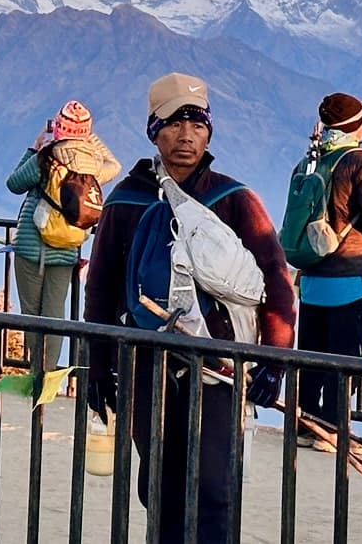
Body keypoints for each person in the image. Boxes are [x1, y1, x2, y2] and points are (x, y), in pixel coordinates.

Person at [82, 73, 296, 544]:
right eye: (174, 124)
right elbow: (100, 289)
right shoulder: (126, 202)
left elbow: (277, 282)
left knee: (214, 485)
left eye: (197, 125)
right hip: (143, 364)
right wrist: (97, 367)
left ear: (209, 133)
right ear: (153, 132)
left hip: (218, 368)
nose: (186, 136)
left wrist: (274, 358)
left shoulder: (234, 200)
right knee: (158, 481)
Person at [294, 93, 362, 449]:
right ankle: (335, 432)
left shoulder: (314, 158)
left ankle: (306, 423)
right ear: (357, 125)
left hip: (313, 276)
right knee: (345, 359)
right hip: (352, 279)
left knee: (312, 355)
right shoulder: (360, 161)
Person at [5, 101, 120, 369]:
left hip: (31, 245)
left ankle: (37, 372)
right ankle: (49, 376)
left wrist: (34, 148)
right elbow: (114, 164)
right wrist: (89, 138)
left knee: (32, 314)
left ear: (58, 127)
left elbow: (14, 184)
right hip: (67, 249)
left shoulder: (45, 158)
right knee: (55, 315)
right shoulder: (91, 166)